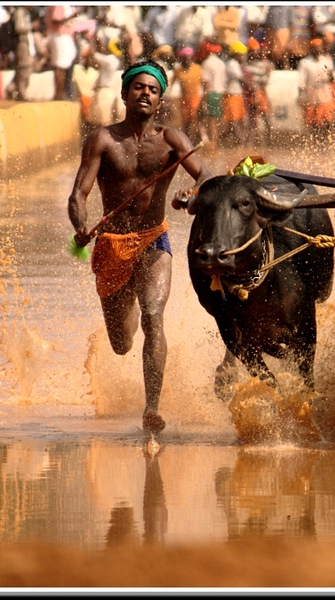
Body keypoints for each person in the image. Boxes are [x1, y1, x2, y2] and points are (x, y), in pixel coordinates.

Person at [67, 59, 214, 435]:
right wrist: (82, 226)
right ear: (124, 94)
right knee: (121, 342)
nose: (145, 93)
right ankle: (125, 316)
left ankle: (152, 409)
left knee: (153, 313)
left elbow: (206, 178)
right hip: (112, 245)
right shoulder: (101, 140)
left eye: (152, 89)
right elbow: (79, 194)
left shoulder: (171, 140)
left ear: (160, 98)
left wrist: (191, 194)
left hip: (153, 241)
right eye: (138, 87)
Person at [296, 37, 335, 140]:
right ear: (311, 49)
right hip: (311, 95)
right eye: (315, 48)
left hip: (325, 93)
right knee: (313, 122)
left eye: (319, 47)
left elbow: (332, 78)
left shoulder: (327, 60)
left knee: (327, 120)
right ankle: (315, 143)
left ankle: (326, 142)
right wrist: (300, 96)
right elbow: (301, 81)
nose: (318, 49)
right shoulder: (305, 62)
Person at [4, 6, 34, 101]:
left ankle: (11, 88)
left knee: (21, 68)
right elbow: (19, 27)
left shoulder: (23, 12)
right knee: (24, 67)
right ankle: (21, 93)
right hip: (21, 43)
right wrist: (31, 26)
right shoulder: (20, 12)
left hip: (24, 43)